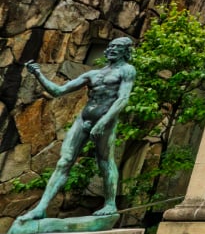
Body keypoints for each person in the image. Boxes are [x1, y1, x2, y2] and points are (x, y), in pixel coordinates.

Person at [15, 37, 137, 223]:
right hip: (84, 119)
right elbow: (57, 91)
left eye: (117, 47)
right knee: (64, 162)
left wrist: (103, 122)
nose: (112, 49)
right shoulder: (93, 74)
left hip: (105, 121)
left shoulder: (127, 70)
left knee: (105, 162)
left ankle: (110, 204)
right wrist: (38, 74)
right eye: (110, 46)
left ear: (125, 51)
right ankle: (41, 208)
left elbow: (123, 99)